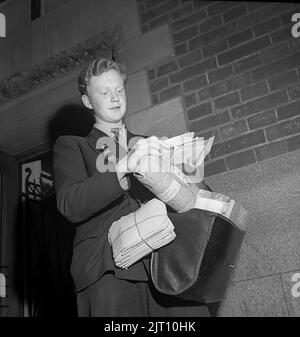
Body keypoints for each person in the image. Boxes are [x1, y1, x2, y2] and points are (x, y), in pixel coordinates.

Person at [53, 57, 212, 317]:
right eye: (104, 92)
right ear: (88, 102)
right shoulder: (73, 146)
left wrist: (187, 174)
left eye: (119, 90)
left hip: (166, 263)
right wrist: (125, 166)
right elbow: (69, 204)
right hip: (109, 268)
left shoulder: (150, 143)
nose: (115, 97)